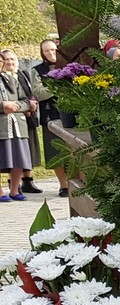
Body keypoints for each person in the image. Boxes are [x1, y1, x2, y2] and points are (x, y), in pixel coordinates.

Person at [1, 49, 47, 202]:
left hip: (18, 126)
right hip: (1, 126)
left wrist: (16, 106)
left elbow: (26, 100)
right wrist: (3, 106)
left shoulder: (13, 79)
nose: (5, 63)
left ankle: (15, 190)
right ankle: (0, 192)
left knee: (18, 159)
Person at [20, 38, 63, 196]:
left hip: (70, 113)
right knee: (55, 151)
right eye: (47, 51)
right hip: (50, 114)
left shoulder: (69, 65)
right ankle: (63, 185)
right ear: (42, 53)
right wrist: (59, 85)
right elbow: (39, 93)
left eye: (53, 49)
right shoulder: (38, 70)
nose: (51, 53)